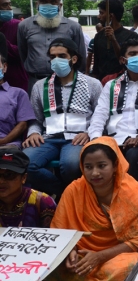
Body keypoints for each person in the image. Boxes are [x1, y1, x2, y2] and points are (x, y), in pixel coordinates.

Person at [44, 137, 138, 281]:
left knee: (134, 264)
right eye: (88, 167)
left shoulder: (132, 192)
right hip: (83, 258)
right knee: (50, 265)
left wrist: (99, 256)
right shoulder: (74, 190)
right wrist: (70, 252)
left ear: (115, 166)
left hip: (118, 256)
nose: (95, 173)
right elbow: (61, 233)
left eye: (102, 166)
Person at [23, 38, 102, 198]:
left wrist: (90, 133)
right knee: (25, 163)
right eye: (53, 57)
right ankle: (63, 193)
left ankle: (69, 198)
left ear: (73, 59)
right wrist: (33, 133)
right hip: (48, 138)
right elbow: (36, 119)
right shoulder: (40, 86)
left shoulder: (92, 84)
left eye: (62, 56)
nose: (56, 60)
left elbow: (100, 116)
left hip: (77, 138)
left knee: (71, 164)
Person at [88, 38, 138, 186]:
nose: (137, 57)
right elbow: (100, 114)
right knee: (94, 155)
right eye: (132, 54)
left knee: (133, 155)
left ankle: (133, 201)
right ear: (123, 60)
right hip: (113, 139)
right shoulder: (111, 85)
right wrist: (96, 139)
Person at [18, 0, 87, 93]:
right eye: (44, 1)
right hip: (35, 81)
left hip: (66, 82)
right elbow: (23, 54)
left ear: (60, 5)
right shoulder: (24, 26)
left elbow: (81, 56)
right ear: (37, 5)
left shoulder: (73, 27)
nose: (48, 5)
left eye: (53, 1)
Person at [0, 146, 56, 227]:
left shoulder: (42, 202)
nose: (1, 181)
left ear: (24, 178)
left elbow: (56, 235)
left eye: (9, 175)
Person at [88, 0, 135, 81]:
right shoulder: (99, 36)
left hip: (123, 82)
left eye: (101, 13)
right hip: (102, 82)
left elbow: (125, 60)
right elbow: (96, 64)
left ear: (111, 16)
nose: (98, 16)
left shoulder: (131, 36)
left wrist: (113, 40)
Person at [0, 54, 35, 147]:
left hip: (7, 145)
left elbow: (23, 124)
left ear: (4, 67)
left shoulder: (18, 93)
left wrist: (3, 141)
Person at [0, 0, 28, 90]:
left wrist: (2, 42)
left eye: (9, 4)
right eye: (4, 5)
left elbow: (21, 52)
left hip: (16, 81)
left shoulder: (18, 26)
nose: (9, 8)